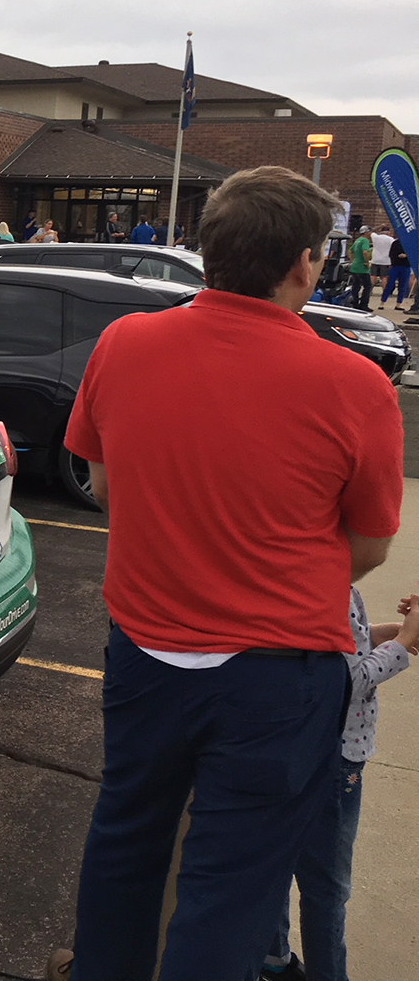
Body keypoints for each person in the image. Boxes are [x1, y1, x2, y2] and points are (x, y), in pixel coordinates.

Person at [45, 166, 403, 981]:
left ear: (209, 251)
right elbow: (370, 546)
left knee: (126, 842)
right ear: (306, 265)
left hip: (144, 659)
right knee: (230, 887)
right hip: (278, 684)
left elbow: (102, 486)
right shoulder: (355, 385)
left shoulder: (124, 343)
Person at [261, 588, 419, 981]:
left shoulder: (303, 572)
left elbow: (334, 651)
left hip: (284, 743)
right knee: (327, 888)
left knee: (277, 861)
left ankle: (273, 957)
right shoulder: (331, 586)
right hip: (336, 755)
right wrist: (403, 641)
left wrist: (379, 633)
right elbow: (348, 683)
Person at [347, 224, 373, 311]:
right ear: (366, 232)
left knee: (356, 285)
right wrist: (366, 262)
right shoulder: (365, 241)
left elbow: (350, 251)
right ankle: (363, 304)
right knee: (367, 286)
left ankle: (355, 303)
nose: (370, 233)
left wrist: (352, 260)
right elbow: (365, 252)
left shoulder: (357, 240)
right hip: (362, 268)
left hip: (355, 266)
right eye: (369, 232)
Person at [380, 235, 410, 308]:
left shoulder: (409, 243)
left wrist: (406, 255)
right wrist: (396, 258)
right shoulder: (395, 243)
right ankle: (382, 302)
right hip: (395, 266)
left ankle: (398, 304)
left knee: (403, 286)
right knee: (390, 284)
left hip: (406, 266)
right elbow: (391, 254)